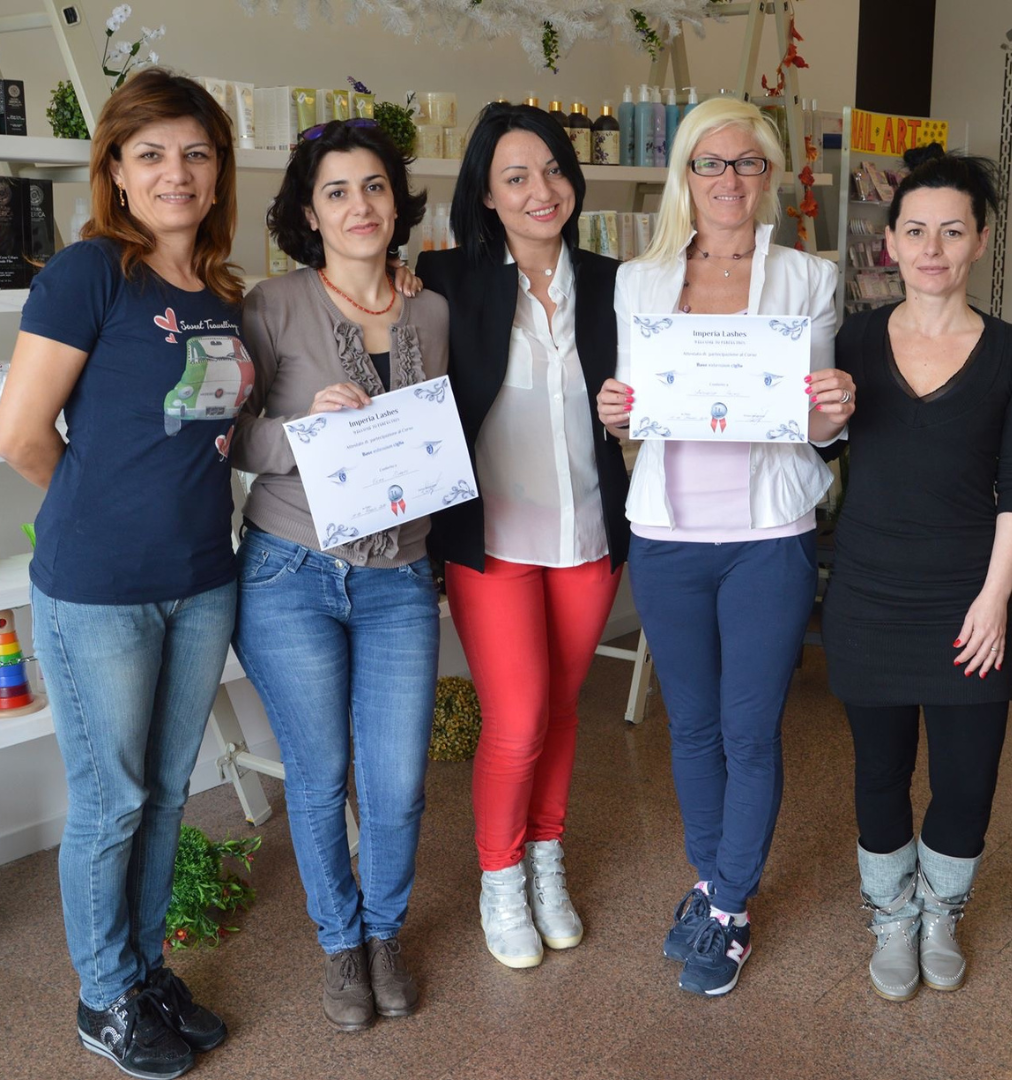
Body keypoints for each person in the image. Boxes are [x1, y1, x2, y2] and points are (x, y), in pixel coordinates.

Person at [0, 68, 244, 1079]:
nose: (175, 172)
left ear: (218, 172)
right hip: (99, 590)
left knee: (168, 792)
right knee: (112, 800)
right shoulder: (88, 273)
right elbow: (19, 434)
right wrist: (102, 511)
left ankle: (142, 971)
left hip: (205, 578)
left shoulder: (222, 292)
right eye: (151, 154)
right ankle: (104, 998)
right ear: (118, 171)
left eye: (195, 152)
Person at [596, 97, 854, 997]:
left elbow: (815, 427)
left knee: (748, 729)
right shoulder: (640, 281)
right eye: (710, 162)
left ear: (768, 175)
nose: (729, 179)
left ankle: (731, 907)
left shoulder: (807, 278)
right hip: (667, 535)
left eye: (747, 162)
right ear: (686, 176)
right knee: (693, 726)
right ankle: (712, 886)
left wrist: (833, 413)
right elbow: (635, 410)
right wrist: (616, 412)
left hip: (766, 537)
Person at [229, 119, 447, 1032]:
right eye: (336, 191)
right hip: (291, 571)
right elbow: (228, 435)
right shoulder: (272, 306)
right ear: (309, 213)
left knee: (395, 784)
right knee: (319, 778)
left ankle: (386, 932)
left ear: (396, 202)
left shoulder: (431, 312)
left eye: (374, 187)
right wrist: (303, 432)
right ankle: (341, 945)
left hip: (401, 579)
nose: (359, 206)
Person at [822, 147, 1012, 1002]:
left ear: (980, 241)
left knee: (966, 777)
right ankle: (891, 914)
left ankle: (942, 909)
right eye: (915, 230)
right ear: (889, 242)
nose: (932, 248)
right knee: (879, 771)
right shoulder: (851, 339)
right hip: (868, 592)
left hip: (968, 595)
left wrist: (994, 600)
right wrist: (818, 421)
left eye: (952, 231)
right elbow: (815, 447)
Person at [415, 103, 629, 970]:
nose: (541, 190)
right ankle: (500, 880)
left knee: (563, 710)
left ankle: (547, 860)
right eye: (515, 176)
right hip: (493, 538)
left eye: (552, 170)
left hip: (589, 533)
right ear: (486, 195)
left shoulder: (615, 282)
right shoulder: (443, 278)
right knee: (516, 720)